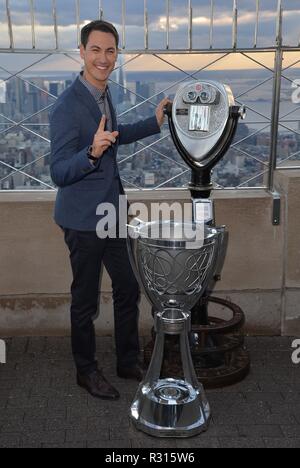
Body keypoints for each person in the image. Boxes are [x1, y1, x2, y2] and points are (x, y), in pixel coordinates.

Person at [50, 20, 170, 401]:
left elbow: (114, 136)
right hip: (83, 220)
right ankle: (86, 371)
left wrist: (154, 123)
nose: (103, 58)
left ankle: (127, 360)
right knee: (84, 300)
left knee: (128, 287)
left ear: (116, 55)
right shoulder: (68, 106)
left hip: (112, 212)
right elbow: (57, 171)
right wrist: (90, 153)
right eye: (96, 50)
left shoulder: (103, 95)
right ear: (82, 52)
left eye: (111, 51)